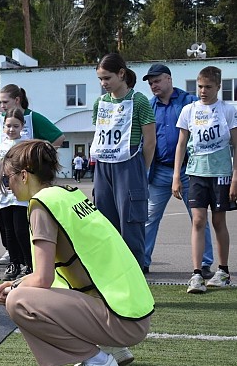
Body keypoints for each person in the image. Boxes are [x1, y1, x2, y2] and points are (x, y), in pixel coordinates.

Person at [0, 139, 154, 366]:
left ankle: (98, 363)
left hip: (121, 319)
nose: (7, 187)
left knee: (18, 301)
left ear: (23, 176)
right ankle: (111, 349)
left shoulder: (41, 206)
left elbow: (43, 279)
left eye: (6, 179)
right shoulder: (68, 194)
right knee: (27, 292)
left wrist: (13, 286)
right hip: (130, 312)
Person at [0, 84, 65, 266]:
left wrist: (41, 158)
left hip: (26, 187)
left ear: (17, 101)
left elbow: (58, 138)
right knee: (8, 227)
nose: (1, 106)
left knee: (24, 228)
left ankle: (30, 262)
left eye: (4, 102)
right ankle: (13, 258)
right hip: (5, 187)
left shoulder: (33, 119)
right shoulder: (0, 121)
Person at [143, 64, 213, 276]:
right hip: (160, 171)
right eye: (150, 83)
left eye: (156, 81)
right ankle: (142, 261)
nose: (153, 85)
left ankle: (204, 263)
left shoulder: (190, 102)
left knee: (198, 217)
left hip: (189, 170)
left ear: (168, 79)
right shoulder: (149, 106)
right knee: (149, 217)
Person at [172, 66, 237, 293]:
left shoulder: (228, 110)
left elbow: (236, 146)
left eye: (208, 87)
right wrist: (176, 176)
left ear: (218, 87)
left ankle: (223, 271)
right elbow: (180, 145)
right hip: (196, 173)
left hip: (221, 174)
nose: (203, 91)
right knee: (198, 221)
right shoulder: (188, 110)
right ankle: (197, 274)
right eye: (200, 86)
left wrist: (235, 177)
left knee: (219, 222)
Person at [91, 53, 156, 268]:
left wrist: (141, 170)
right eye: (100, 79)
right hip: (103, 167)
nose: (104, 83)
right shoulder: (99, 103)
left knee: (131, 223)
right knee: (105, 222)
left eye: (107, 78)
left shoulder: (139, 101)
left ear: (121, 74)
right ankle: (110, 276)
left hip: (129, 165)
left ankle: (136, 275)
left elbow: (150, 141)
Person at [0, 108, 32, 280]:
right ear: (3, 126)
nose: (11, 129)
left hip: (21, 198)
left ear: (22, 126)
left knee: (22, 231)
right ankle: (14, 262)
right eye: (8, 126)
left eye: (15, 126)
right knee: (8, 232)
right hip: (4, 196)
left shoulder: (26, 146)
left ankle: (29, 264)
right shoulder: (1, 147)